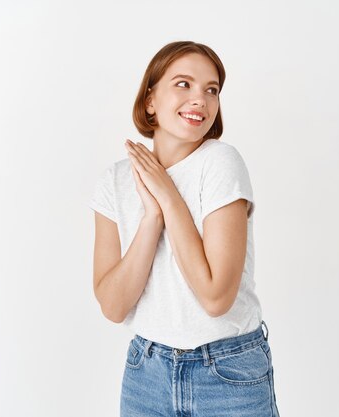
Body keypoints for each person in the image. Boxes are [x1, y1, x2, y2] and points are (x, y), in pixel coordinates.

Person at [88, 41, 280, 416]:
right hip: (146, 373)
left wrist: (168, 196)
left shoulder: (220, 163)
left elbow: (215, 298)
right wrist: (152, 218)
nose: (201, 99)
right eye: (183, 84)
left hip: (227, 373)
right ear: (149, 102)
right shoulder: (115, 181)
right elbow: (113, 306)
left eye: (212, 90)